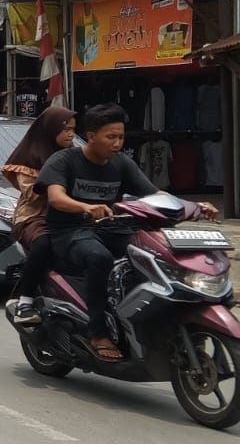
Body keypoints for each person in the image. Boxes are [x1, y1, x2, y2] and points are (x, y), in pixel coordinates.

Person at [38, 103, 216, 360]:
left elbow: (155, 194)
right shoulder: (64, 160)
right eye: (111, 137)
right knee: (99, 258)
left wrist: (194, 206)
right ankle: (97, 332)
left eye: (121, 137)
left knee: (156, 249)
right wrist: (86, 207)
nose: (117, 143)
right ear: (91, 136)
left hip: (111, 227)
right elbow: (55, 198)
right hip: (69, 230)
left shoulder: (121, 163)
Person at [1, 105, 76, 327]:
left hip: (72, 217)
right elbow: (32, 193)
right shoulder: (30, 158)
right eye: (66, 130)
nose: (71, 134)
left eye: (74, 129)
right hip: (34, 218)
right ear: (50, 130)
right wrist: (59, 190)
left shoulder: (76, 156)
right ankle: (25, 302)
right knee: (44, 244)